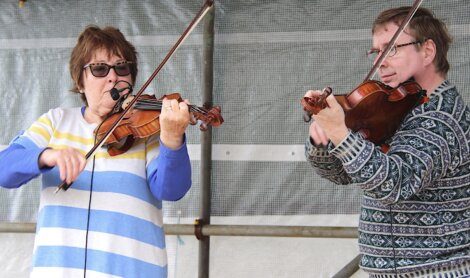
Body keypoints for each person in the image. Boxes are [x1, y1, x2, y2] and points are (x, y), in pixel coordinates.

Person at [0, 25, 192, 277]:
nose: (113, 77)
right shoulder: (56, 121)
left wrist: (172, 137)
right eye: (100, 69)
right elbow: (4, 170)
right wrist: (47, 155)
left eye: (121, 67)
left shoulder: (148, 132)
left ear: (131, 77)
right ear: (80, 82)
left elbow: (171, 190)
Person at [304, 6, 469, 277]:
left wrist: (341, 135)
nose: (379, 62)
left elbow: (394, 183)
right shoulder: (398, 108)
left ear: (427, 51)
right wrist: (322, 142)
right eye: (376, 51)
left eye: (391, 48)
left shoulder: (442, 117)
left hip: (436, 272)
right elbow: (343, 174)